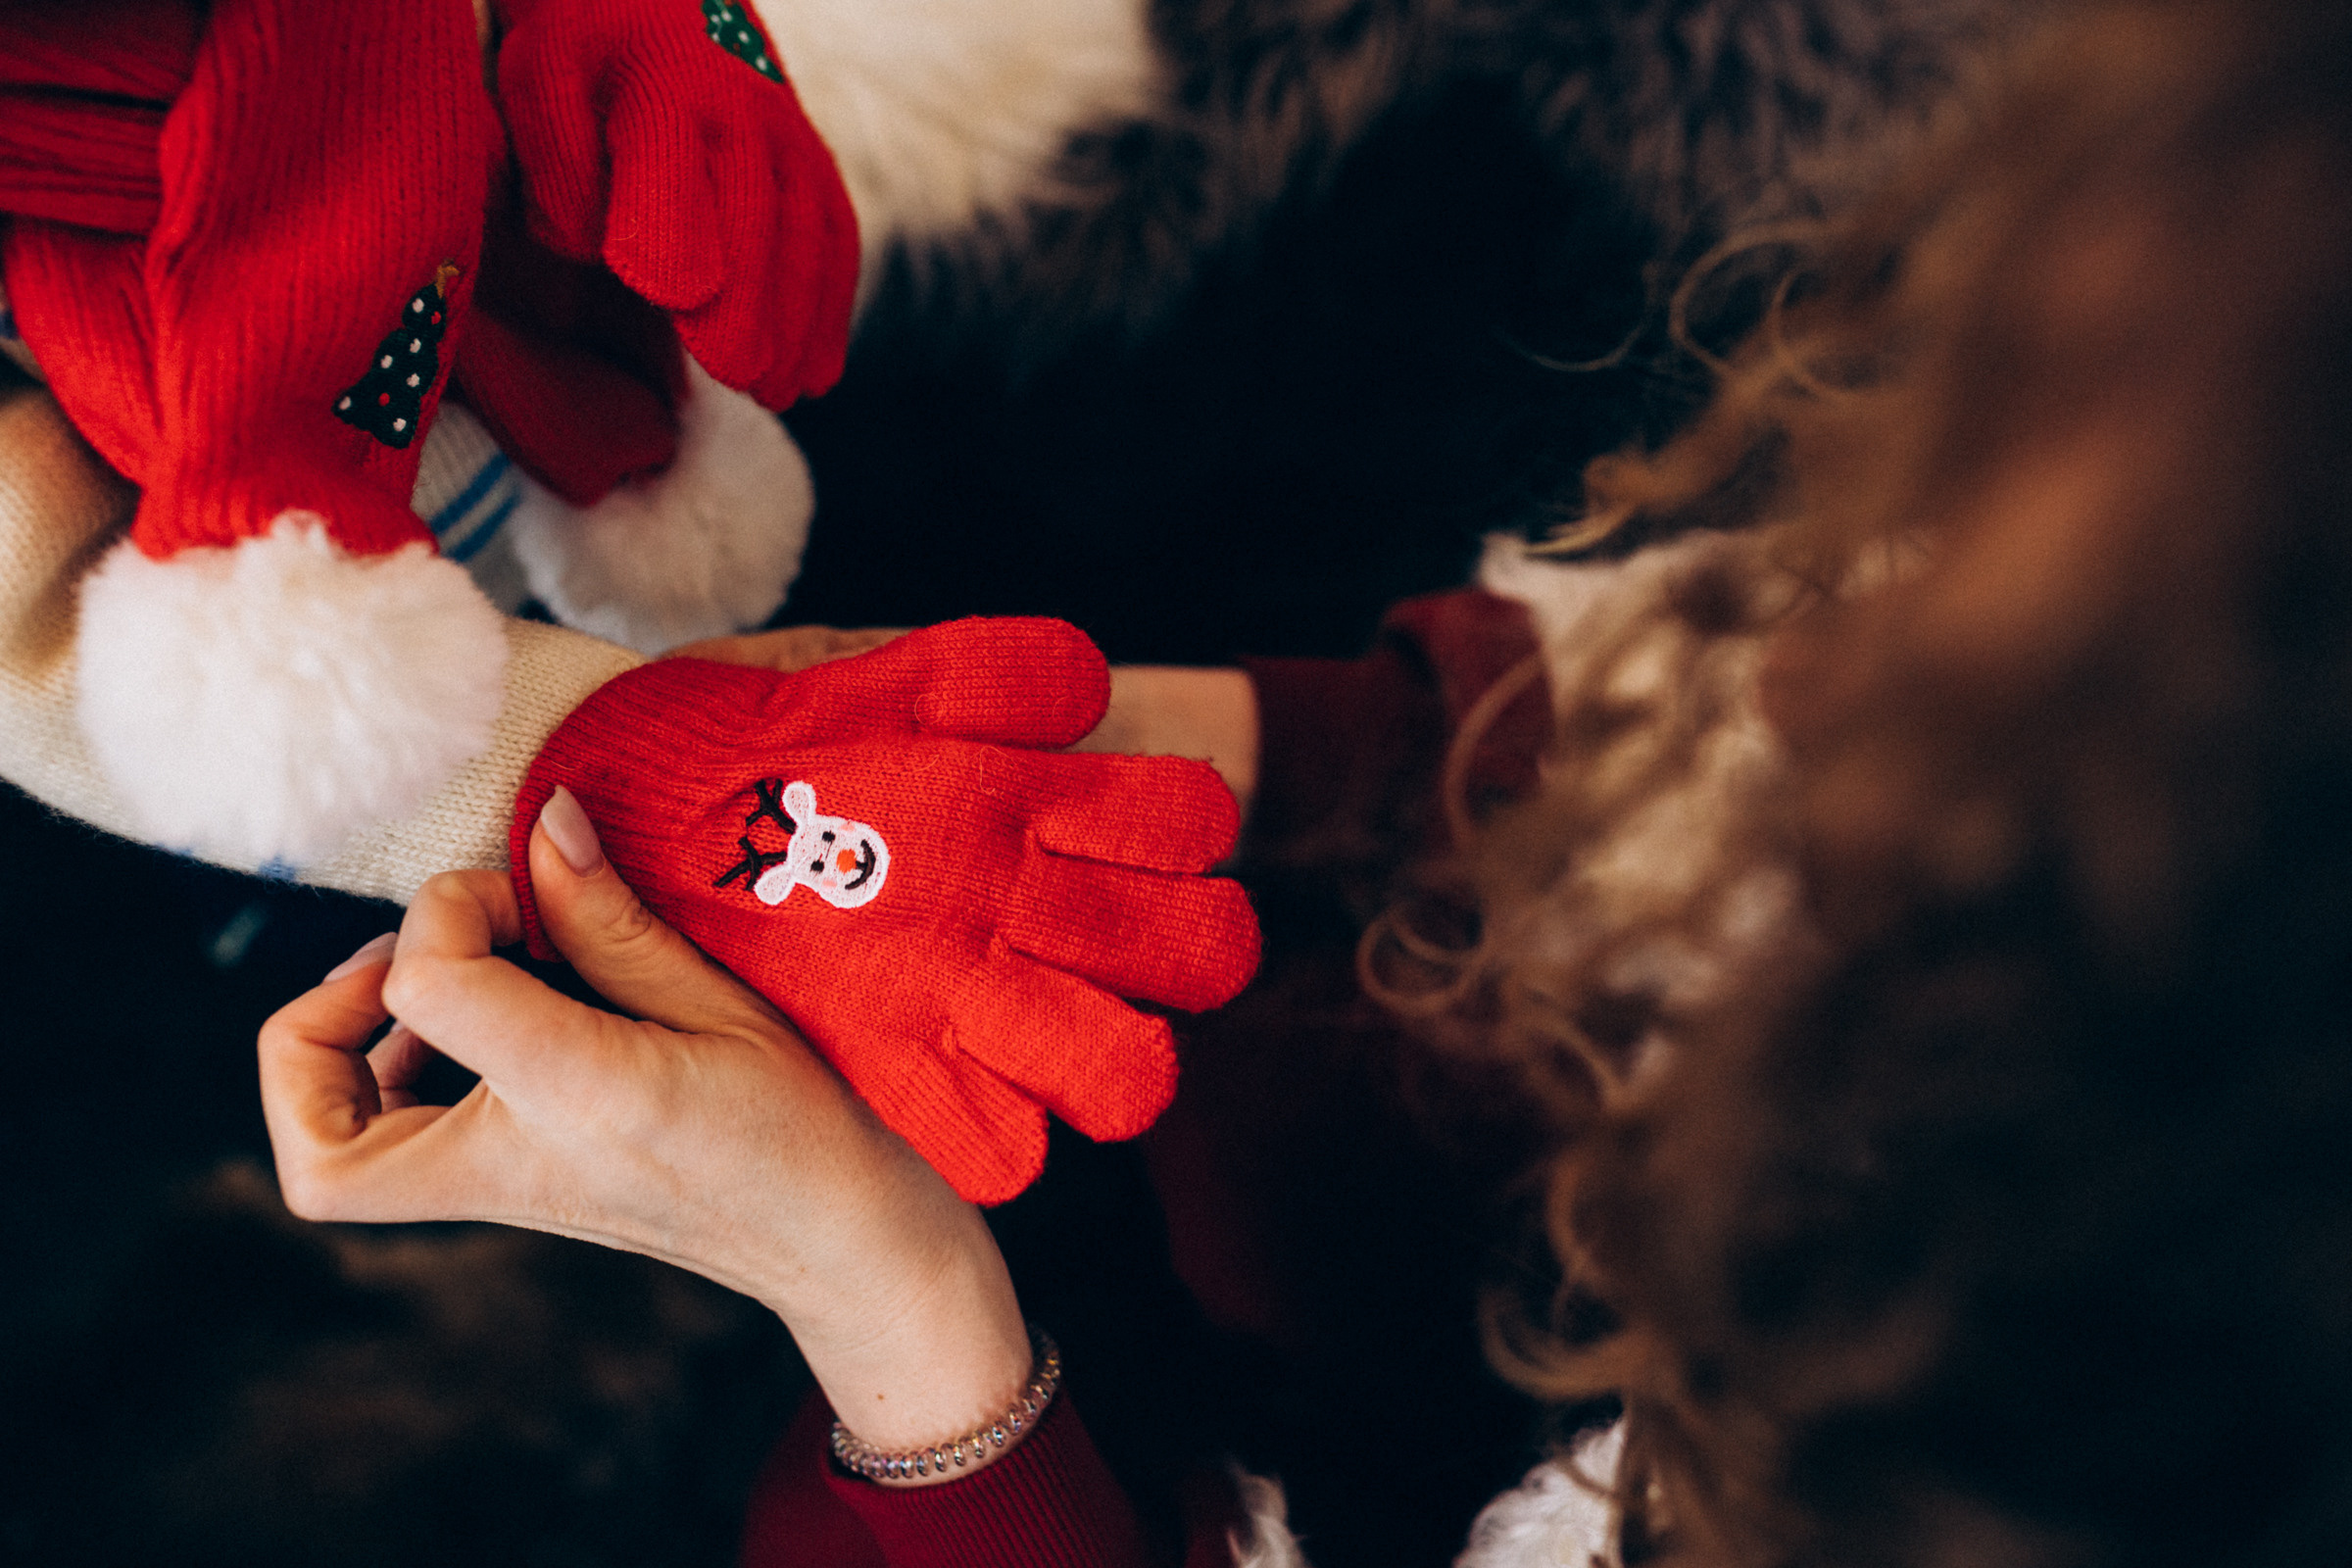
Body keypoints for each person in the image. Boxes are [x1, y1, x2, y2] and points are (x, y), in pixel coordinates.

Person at [263, 0, 2352, 1561]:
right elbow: (1700, 727)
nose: (1844, 642)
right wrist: (1198, 737)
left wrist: (879, 1298)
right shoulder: (2125, 562)